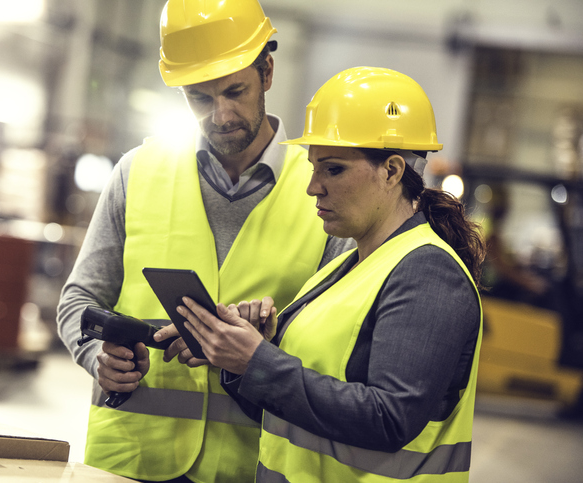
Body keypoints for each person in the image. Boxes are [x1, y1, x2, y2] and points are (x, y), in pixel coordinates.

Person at [56, 1, 353, 482]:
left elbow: (340, 342)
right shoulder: (138, 172)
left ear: (268, 72)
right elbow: (79, 299)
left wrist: (264, 342)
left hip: (247, 465)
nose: (221, 116)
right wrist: (97, 359)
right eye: (199, 99)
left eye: (235, 92)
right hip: (129, 460)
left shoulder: (322, 189)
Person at [173, 67, 487, 482]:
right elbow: (293, 407)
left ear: (392, 171)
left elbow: (389, 418)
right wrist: (243, 352)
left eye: (333, 169)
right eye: (313, 167)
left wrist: (259, 361)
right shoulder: (346, 266)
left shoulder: (428, 274)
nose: (312, 187)